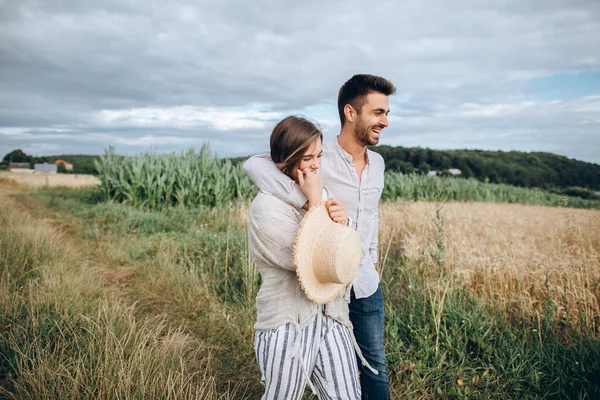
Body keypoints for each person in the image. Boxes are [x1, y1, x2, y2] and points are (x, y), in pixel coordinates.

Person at [244, 74, 396, 399]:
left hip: (360, 280)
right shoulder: (316, 152)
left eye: (387, 112)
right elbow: (259, 165)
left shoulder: (378, 163)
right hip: (309, 296)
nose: (385, 120)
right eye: (378, 112)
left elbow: (372, 215)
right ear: (351, 112)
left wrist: (372, 256)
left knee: (375, 367)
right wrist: (311, 199)